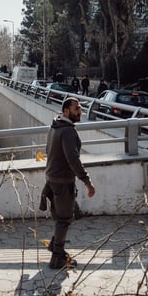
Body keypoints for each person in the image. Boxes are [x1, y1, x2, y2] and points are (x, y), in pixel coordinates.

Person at [44, 97, 96, 269]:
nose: (79, 112)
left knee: (64, 217)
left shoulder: (55, 126)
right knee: (64, 220)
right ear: (66, 111)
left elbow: (48, 151)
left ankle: (55, 246)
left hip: (52, 178)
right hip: (62, 181)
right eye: (76, 109)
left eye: (80, 108)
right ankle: (57, 258)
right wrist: (87, 181)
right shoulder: (67, 131)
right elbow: (73, 159)